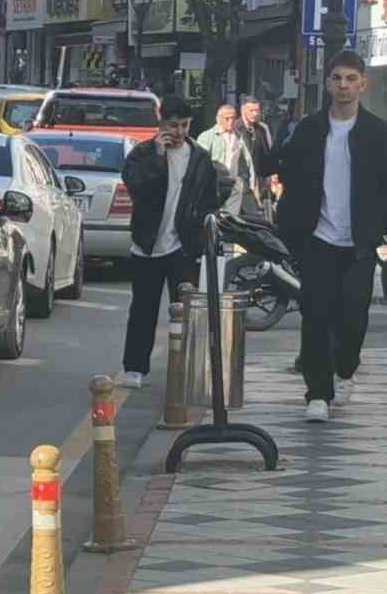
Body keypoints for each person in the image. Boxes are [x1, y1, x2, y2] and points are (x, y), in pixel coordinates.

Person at [259, 50, 387, 422]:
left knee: (353, 314)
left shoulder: (376, 132)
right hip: (317, 239)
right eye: (337, 79)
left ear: (363, 84)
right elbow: (284, 165)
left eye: (350, 79)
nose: (343, 85)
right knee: (315, 314)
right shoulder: (311, 129)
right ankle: (318, 393)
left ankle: (346, 368)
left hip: (360, 243)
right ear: (328, 84)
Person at [115, 95, 221, 389]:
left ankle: (186, 369)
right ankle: (135, 368)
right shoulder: (142, 154)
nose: (179, 132)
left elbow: (210, 198)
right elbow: (137, 186)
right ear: (161, 123)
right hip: (146, 245)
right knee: (143, 310)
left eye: (185, 125)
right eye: (173, 125)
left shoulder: (199, 158)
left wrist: (202, 227)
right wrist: (158, 158)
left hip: (183, 247)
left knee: (185, 311)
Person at [195, 104, 258, 215]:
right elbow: (199, 162)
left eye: (233, 118)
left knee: (230, 218)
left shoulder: (238, 136)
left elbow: (248, 160)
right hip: (214, 186)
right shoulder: (207, 136)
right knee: (213, 217)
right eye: (227, 118)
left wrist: (251, 183)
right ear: (218, 119)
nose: (231, 121)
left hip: (233, 185)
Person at [238, 96, 275, 211]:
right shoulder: (235, 128)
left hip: (260, 181)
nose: (255, 114)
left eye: (257, 110)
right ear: (243, 110)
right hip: (242, 182)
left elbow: (269, 154)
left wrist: (271, 176)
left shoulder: (262, 129)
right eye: (251, 110)